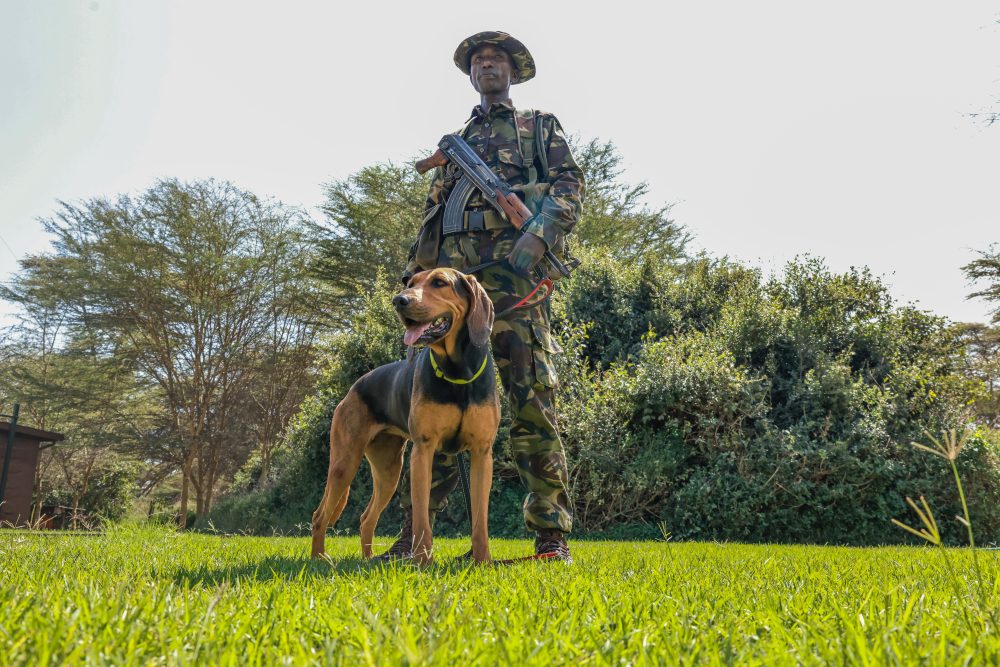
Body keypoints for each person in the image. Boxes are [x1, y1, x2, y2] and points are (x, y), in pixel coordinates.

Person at [387, 30, 584, 562]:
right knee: (431, 413)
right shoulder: (457, 142)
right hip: (452, 299)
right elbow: (435, 212)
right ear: (471, 74)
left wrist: (538, 233)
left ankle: (551, 538)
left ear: (513, 71)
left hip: (516, 289)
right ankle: (414, 538)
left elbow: (569, 186)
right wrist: (415, 279)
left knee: (531, 404)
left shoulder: (538, 127)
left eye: (497, 59)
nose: (487, 65)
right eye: (478, 61)